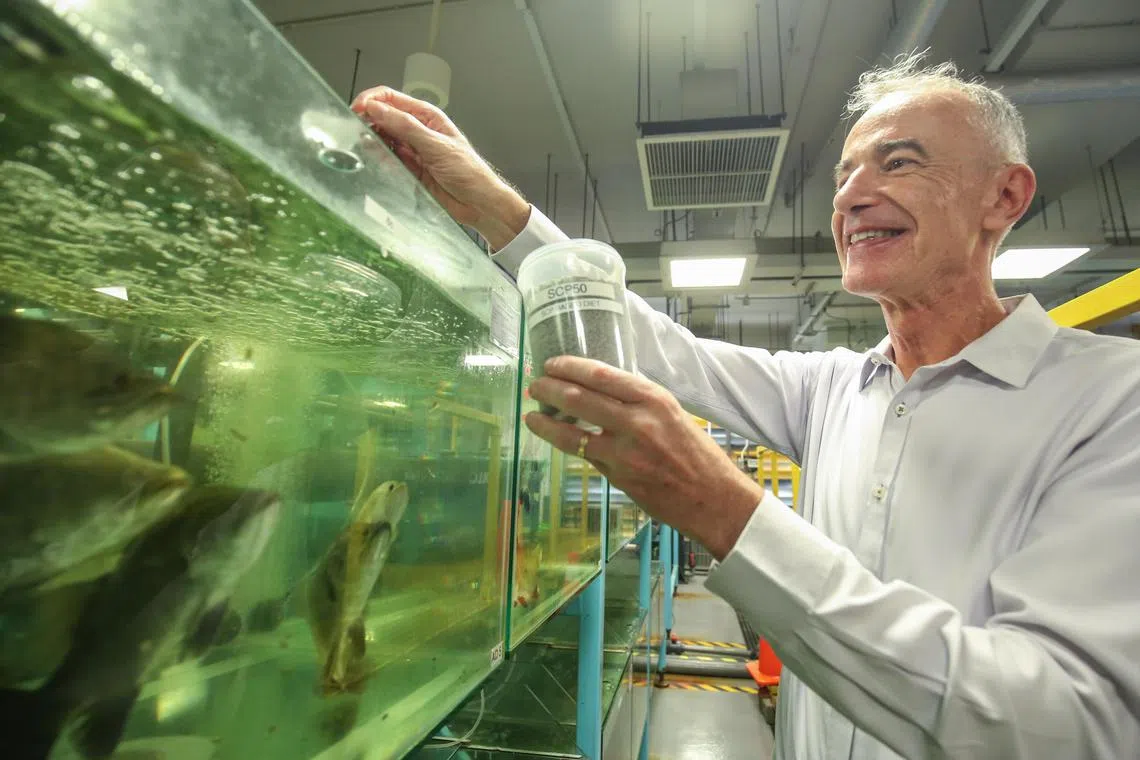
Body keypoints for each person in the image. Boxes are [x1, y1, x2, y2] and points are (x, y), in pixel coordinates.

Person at [352, 53, 1140, 760]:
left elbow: (1068, 723)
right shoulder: (835, 388)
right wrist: (494, 207)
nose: (854, 196)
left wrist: (724, 510)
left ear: (1004, 196)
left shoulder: (1112, 398)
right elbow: (662, 348)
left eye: (898, 163)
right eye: (844, 176)